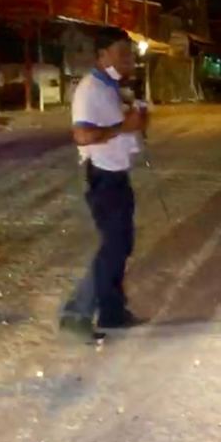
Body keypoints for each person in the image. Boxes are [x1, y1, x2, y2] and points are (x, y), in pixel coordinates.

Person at [60, 27, 147, 339]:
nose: (128, 60)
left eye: (130, 54)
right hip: (101, 175)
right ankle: (77, 313)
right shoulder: (90, 89)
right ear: (102, 55)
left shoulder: (111, 88)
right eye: (121, 53)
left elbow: (121, 127)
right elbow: (82, 135)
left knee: (122, 245)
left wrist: (136, 122)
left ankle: (112, 313)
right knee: (112, 247)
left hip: (117, 173)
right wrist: (124, 126)